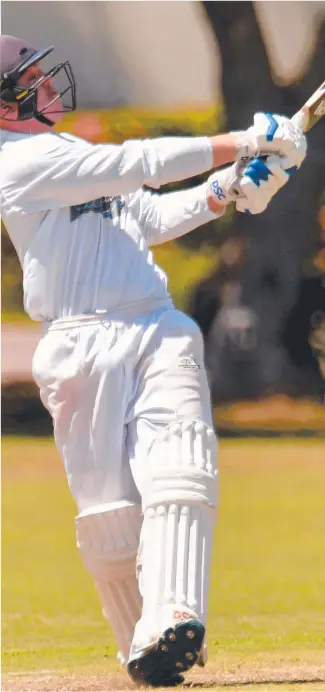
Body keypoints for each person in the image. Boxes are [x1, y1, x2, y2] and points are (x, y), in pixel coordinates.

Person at [0, 35, 306, 687]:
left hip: (154, 324)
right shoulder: (13, 165)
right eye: (31, 80)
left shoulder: (73, 152)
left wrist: (225, 190)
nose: (50, 85)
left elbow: (147, 214)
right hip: (78, 345)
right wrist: (240, 143)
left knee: (180, 466)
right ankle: (146, 647)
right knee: (109, 519)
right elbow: (139, 162)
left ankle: (174, 615)